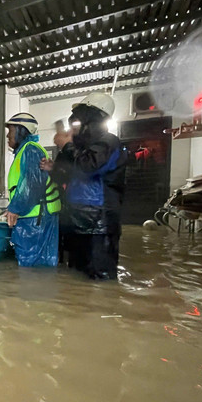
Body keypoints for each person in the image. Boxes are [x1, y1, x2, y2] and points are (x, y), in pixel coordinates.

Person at [41, 92, 127, 280]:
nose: (75, 125)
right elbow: (66, 176)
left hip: (99, 227)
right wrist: (53, 168)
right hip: (77, 224)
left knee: (100, 282)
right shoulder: (80, 149)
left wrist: (67, 146)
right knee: (75, 281)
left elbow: (88, 167)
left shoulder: (109, 142)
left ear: (93, 118)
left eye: (80, 121)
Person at [4, 112, 61, 267]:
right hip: (34, 216)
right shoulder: (24, 151)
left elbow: (32, 184)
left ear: (22, 130)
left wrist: (15, 208)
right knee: (34, 268)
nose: (8, 136)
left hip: (37, 219)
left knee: (33, 267)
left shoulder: (31, 150)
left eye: (11, 131)